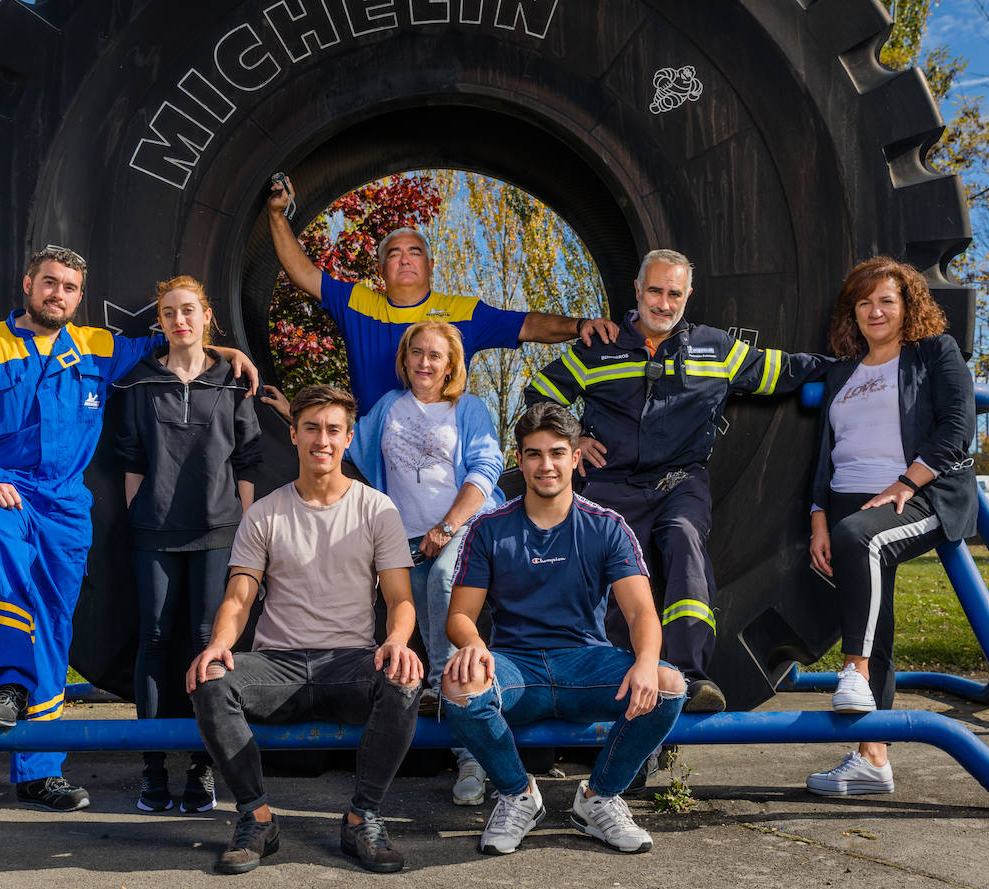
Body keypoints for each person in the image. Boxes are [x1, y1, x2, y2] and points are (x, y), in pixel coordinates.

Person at [0, 245, 258, 812]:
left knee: (55, 623)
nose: (58, 295)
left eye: (70, 288)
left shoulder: (96, 347)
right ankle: (6, 684)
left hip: (64, 502)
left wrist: (225, 349)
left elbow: (172, 344)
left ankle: (39, 771)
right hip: (2, 487)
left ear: (80, 297)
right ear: (28, 283)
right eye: (49, 283)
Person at [524, 248, 832, 712]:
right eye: (655, 290)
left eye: (674, 293)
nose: (663, 303)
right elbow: (539, 397)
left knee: (685, 541)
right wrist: (576, 439)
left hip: (679, 483)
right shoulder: (598, 347)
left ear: (688, 295)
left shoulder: (717, 349)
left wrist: (860, 367)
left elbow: (785, 370)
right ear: (637, 290)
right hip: (609, 484)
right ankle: (613, 679)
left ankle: (688, 676)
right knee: (613, 566)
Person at [186, 385, 424, 875]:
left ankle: (363, 817)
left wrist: (396, 641)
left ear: (348, 438)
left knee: (403, 679)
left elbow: (401, 599)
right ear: (293, 434)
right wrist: (218, 645)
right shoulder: (265, 513)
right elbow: (239, 597)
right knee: (211, 678)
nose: (322, 439)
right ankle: (257, 819)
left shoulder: (377, 509)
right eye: (311, 428)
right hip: (278, 666)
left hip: (350, 662)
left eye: (333, 430)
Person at [264, 321, 503, 806]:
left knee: (441, 588)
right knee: (400, 618)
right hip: (408, 538)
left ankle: (467, 746)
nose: (424, 362)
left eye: (435, 355)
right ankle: (416, 737)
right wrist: (292, 411)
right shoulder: (389, 408)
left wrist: (448, 528)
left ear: (451, 364)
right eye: (416, 353)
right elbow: (341, 437)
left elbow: (485, 469)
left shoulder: (469, 408)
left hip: (461, 530)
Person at [441, 402, 687, 855]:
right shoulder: (488, 528)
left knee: (669, 685)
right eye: (533, 454)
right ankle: (518, 796)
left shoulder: (607, 527)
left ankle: (598, 799)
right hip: (516, 668)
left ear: (575, 457)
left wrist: (647, 663)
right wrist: (474, 644)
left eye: (556, 453)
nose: (545, 465)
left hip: (586, 664)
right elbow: (459, 616)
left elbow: (640, 614)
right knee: (459, 687)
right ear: (520, 459)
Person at [805, 256, 976, 796]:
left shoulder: (934, 353)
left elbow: (957, 427)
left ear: (908, 307)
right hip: (846, 502)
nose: (874, 311)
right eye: (864, 302)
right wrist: (817, 520)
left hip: (917, 495)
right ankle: (872, 759)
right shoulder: (841, 370)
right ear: (851, 312)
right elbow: (823, 456)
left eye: (886, 300)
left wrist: (906, 483)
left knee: (862, 538)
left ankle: (851, 672)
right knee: (872, 610)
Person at [266, 178, 619, 414]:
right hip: (371, 454)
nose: (404, 258)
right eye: (394, 253)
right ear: (381, 269)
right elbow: (303, 272)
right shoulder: (358, 303)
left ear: (431, 265)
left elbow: (527, 324)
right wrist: (277, 215)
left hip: (438, 459)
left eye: (414, 251)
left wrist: (580, 325)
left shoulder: (461, 312)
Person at [113, 276, 262, 813]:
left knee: (207, 643)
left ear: (207, 316)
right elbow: (130, 457)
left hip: (218, 529)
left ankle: (202, 770)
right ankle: (152, 771)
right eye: (169, 313)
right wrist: (140, 511)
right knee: (153, 640)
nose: (180, 320)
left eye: (189, 311)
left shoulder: (231, 380)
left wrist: (244, 526)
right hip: (153, 530)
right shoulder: (139, 381)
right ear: (161, 321)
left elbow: (246, 459)